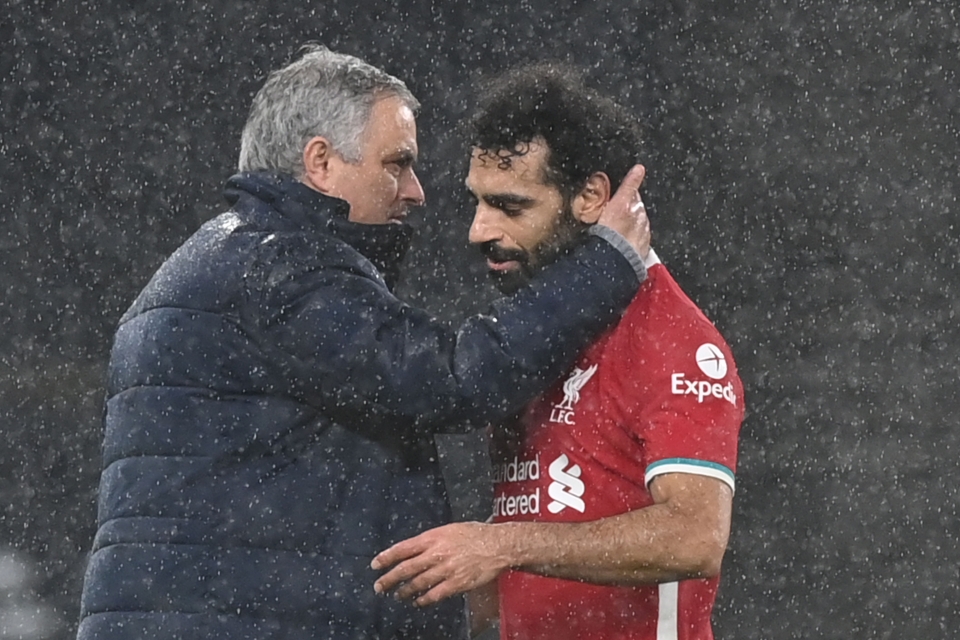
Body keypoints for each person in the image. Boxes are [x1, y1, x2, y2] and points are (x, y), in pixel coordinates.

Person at [76, 46, 652, 640]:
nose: (415, 191)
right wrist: (603, 269)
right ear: (321, 161)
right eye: (396, 164)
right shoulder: (281, 267)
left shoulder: (210, 264)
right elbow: (451, 380)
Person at [372, 63, 744, 640]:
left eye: (511, 206)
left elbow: (695, 537)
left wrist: (501, 544)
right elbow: (540, 531)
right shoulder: (543, 338)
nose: (478, 230)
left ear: (591, 197)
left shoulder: (673, 340)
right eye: (478, 202)